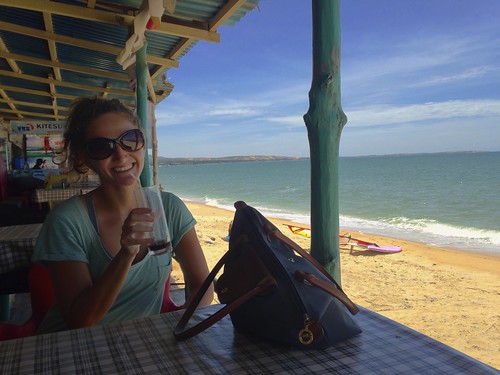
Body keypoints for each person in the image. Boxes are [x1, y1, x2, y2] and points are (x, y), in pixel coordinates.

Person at [32, 97, 213, 334]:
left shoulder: (169, 208)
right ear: (82, 158)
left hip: (141, 343)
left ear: (141, 142)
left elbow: (203, 286)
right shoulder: (66, 221)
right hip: (72, 347)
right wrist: (126, 254)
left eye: (130, 140)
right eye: (101, 147)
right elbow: (81, 321)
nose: (120, 155)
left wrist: (178, 327)